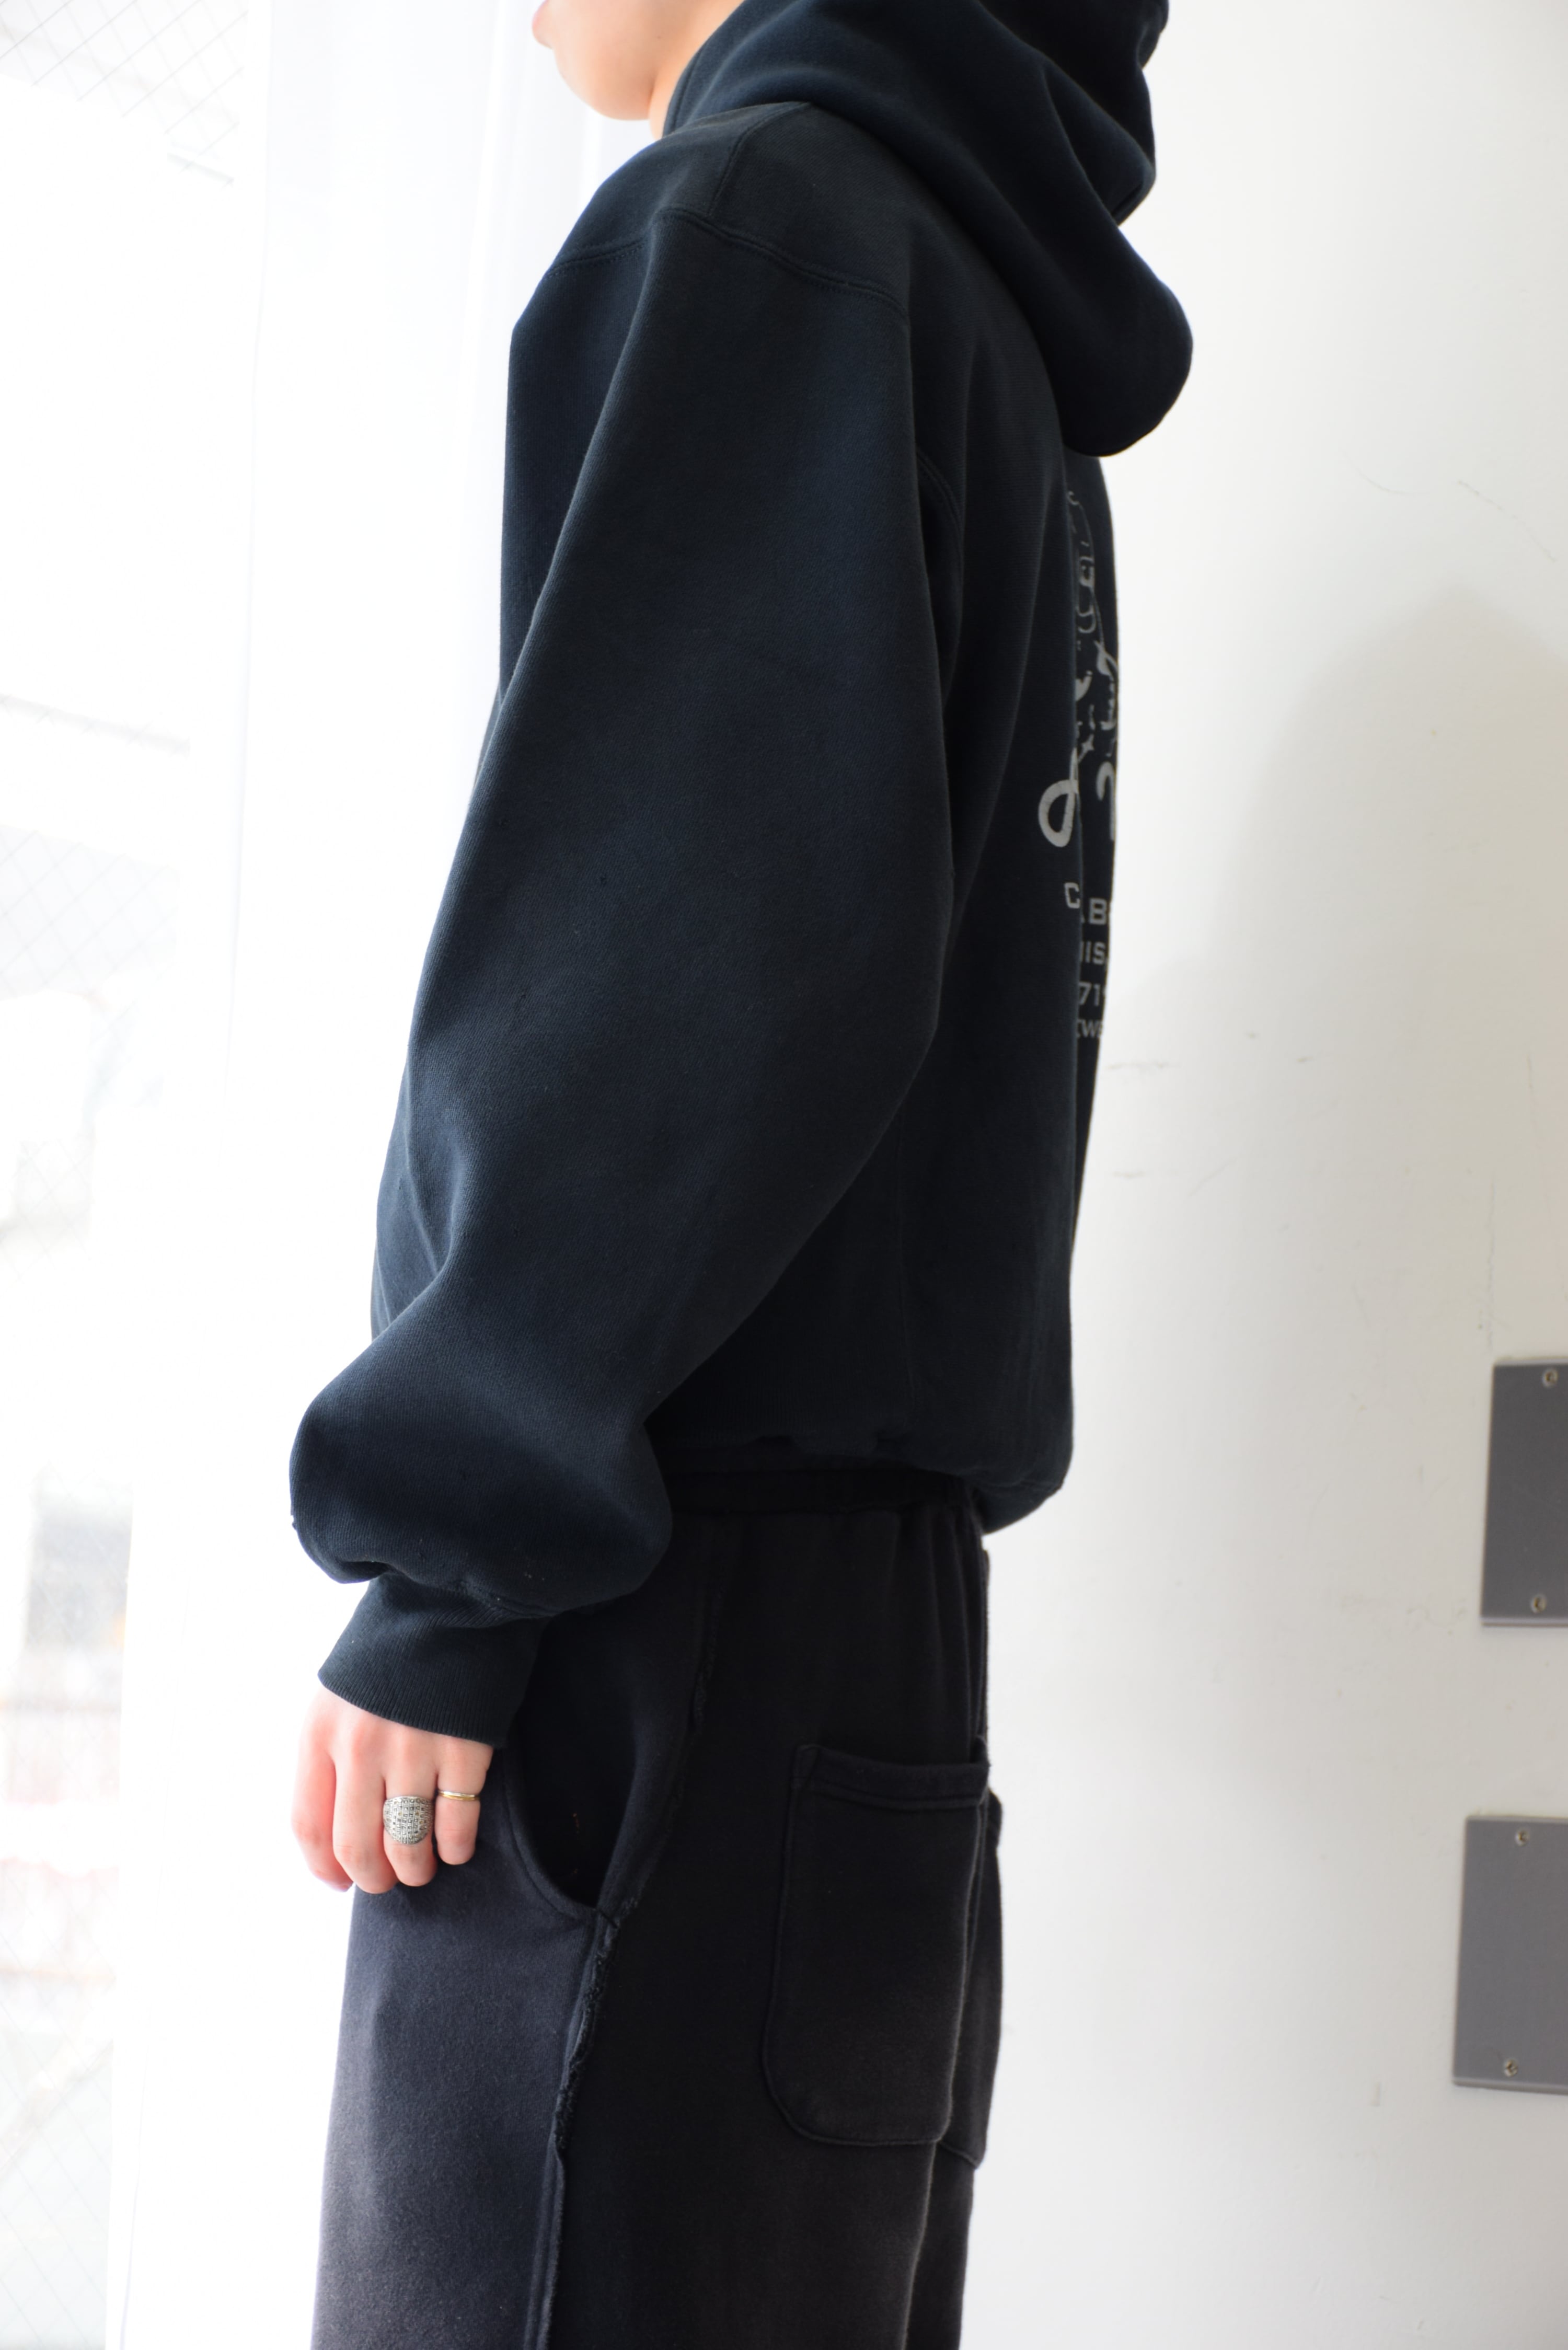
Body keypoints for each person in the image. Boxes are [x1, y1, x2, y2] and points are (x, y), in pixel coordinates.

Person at [288, 0, 1189, 2341]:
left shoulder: (766, 229)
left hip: (647, 1641)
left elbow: (678, 943)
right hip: (864, 1677)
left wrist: (455, 1546)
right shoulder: (978, 315)